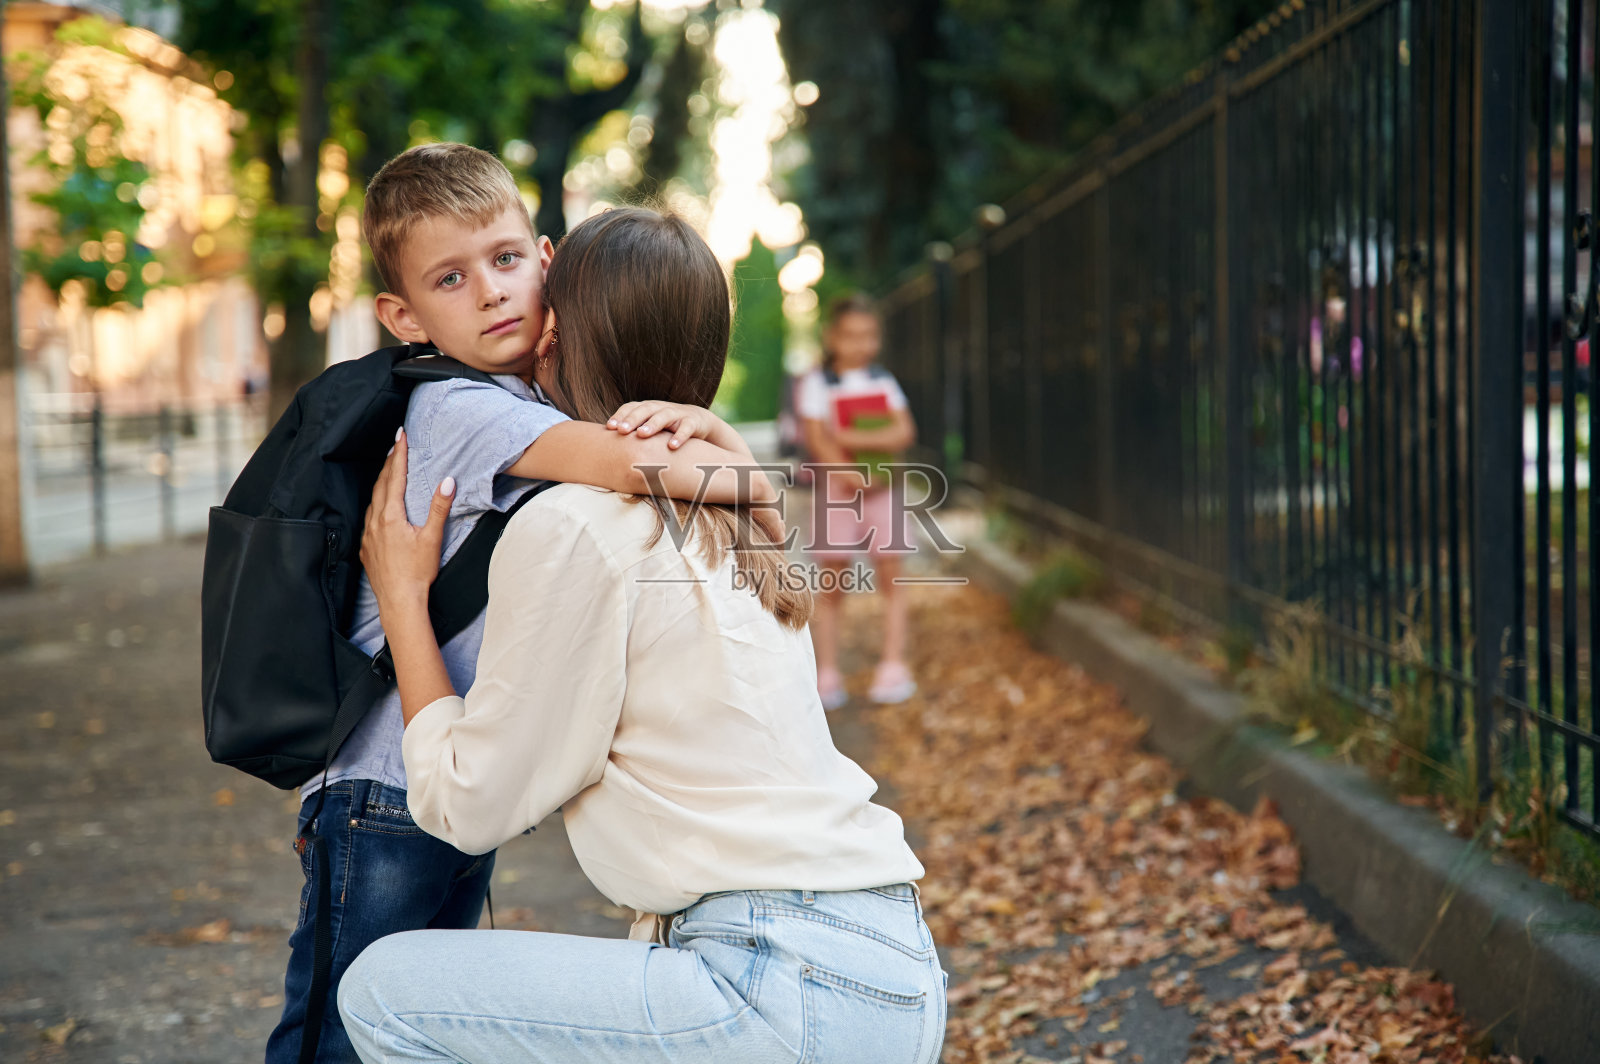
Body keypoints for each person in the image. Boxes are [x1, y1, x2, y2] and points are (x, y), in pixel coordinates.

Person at [337, 207, 945, 1064]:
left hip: (774, 982)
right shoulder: (739, 513)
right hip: (889, 962)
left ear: (555, 340)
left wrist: (403, 603)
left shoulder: (580, 526)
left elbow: (471, 805)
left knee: (381, 989)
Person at [267, 145, 776, 1064]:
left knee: (408, 1032)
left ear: (545, 261)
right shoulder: (463, 408)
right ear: (403, 316)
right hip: (383, 784)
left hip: (445, 766)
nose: (492, 293)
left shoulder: (521, 402)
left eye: (505, 262)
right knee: (334, 1035)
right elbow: (629, 460)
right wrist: (755, 479)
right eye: (450, 279)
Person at [797, 293, 919, 709]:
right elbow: (816, 437)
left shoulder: (883, 380)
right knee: (833, 582)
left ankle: (893, 664)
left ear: (878, 338)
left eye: (868, 335)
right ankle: (826, 671)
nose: (859, 344)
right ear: (832, 337)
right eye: (850, 335)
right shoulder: (817, 383)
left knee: (893, 577)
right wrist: (847, 470)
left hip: (883, 493)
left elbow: (903, 433)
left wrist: (847, 437)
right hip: (837, 495)